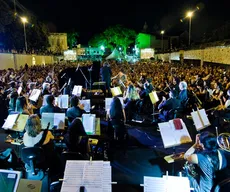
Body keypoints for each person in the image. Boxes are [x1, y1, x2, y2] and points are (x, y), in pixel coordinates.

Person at [23, 115, 63, 179]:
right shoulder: (47, 133)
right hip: (45, 162)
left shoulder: (25, 135)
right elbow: (53, 138)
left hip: (31, 163)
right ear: (39, 123)